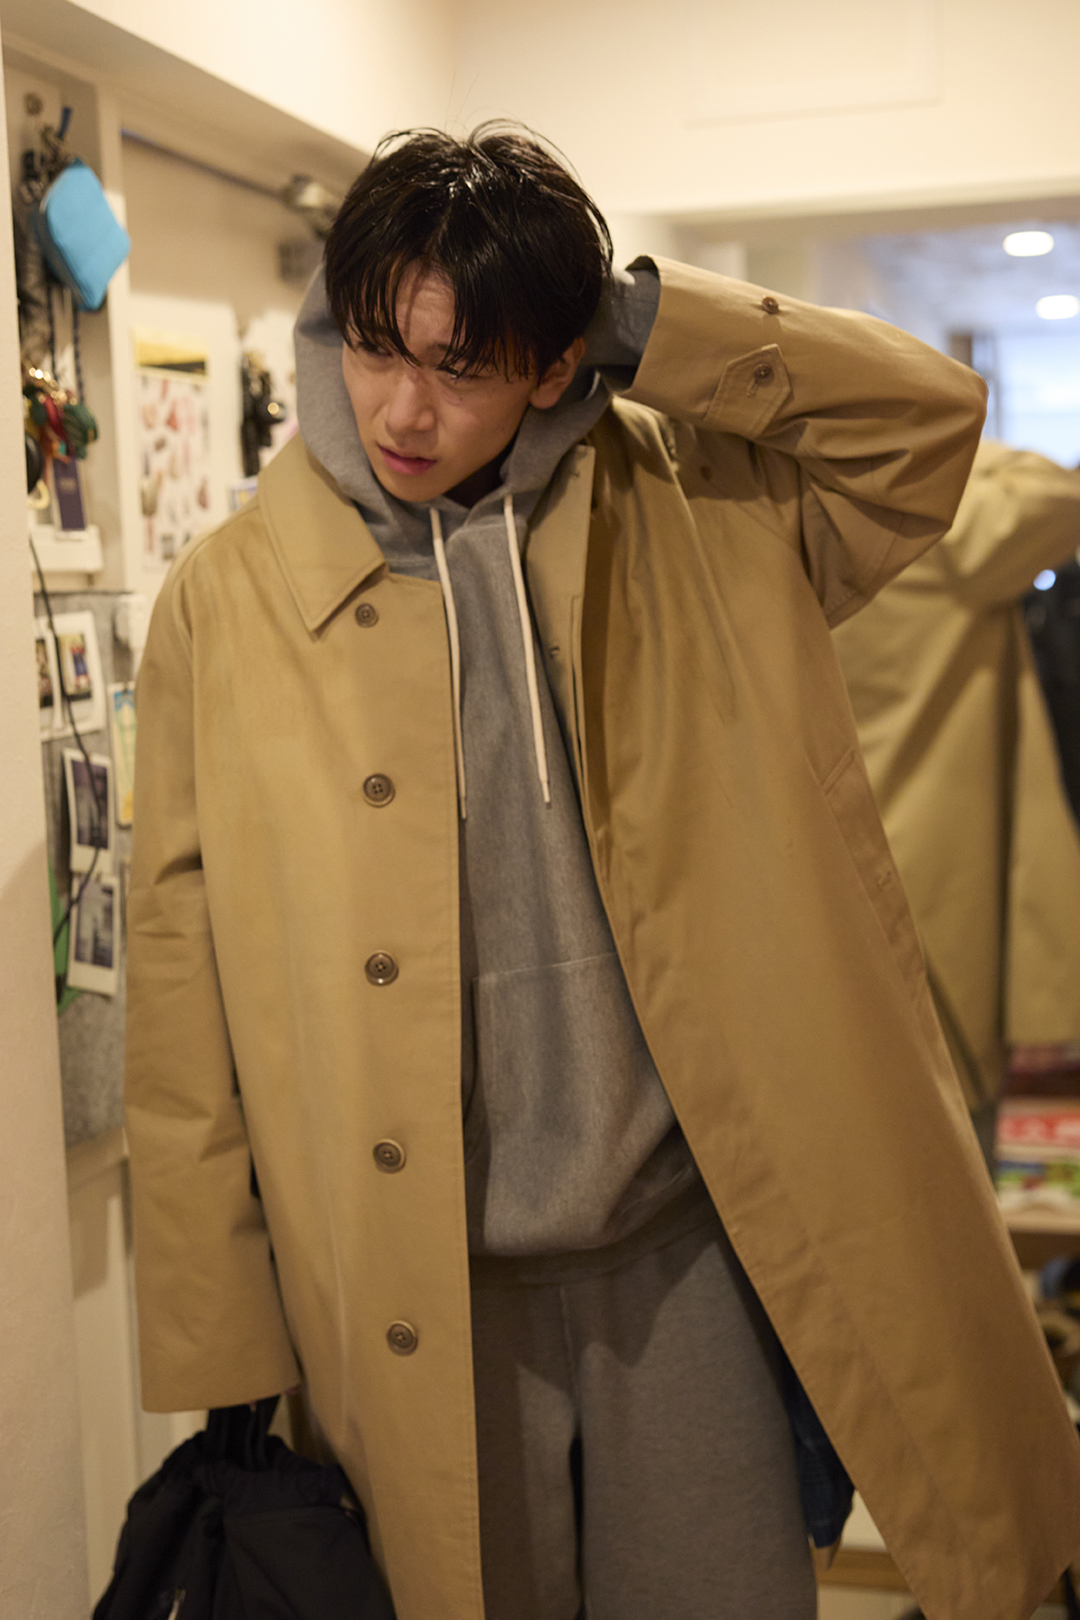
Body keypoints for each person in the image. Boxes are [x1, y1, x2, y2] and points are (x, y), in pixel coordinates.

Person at [124, 127, 1080, 1620]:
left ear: (556, 362)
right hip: (412, 1283)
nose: (404, 409)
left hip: (687, 1253)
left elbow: (925, 434)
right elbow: (182, 1010)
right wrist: (228, 1360)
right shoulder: (228, 603)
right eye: (375, 350)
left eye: (462, 366)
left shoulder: (701, 517)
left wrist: (656, 326)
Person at [833, 440, 1080, 1161]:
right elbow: (1058, 497)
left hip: (819, 840)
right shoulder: (940, 518)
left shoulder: (786, 502)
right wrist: (959, 445)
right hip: (934, 855)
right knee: (949, 1119)